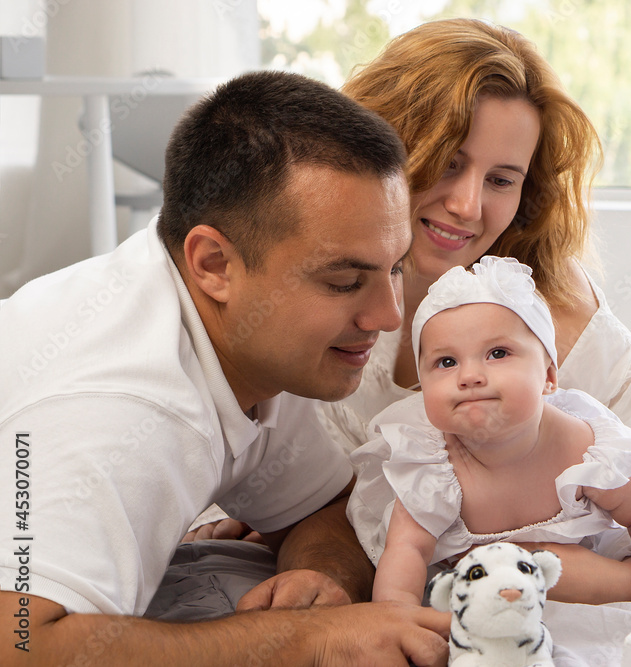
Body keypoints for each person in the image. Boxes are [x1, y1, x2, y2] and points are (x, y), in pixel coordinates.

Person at [198, 18, 631, 602]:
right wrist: (284, 507)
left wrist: (589, 570)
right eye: (447, 162)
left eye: (501, 179)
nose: (468, 205)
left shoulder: (549, 317)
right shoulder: (322, 276)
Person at [0, 71, 448, 666]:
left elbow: (322, 505)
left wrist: (320, 575)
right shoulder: (125, 409)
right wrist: (306, 641)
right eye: (344, 282)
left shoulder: (248, 340)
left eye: (394, 269)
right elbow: (21, 642)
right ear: (213, 263)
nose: (389, 317)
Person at [356, 257, 631, 609]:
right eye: (446, 362)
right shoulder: (430, 463)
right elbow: (407, 548)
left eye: (497, 353)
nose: (470, 376)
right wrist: (395, 613)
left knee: (568, 574)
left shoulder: (584, 447)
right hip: (475, 579)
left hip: (563, 564)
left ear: (549, 377)